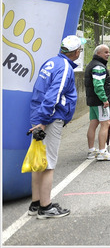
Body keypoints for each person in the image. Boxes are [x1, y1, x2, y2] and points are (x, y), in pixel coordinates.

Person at [29, 35, 85, 219]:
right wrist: (43, 123)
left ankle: (36, 203)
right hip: (49, 120)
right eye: (80, 50)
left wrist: (39, 119)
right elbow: (54, 95)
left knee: (39, 161)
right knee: (48, 164)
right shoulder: (65, 68)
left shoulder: (51, 62)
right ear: (76, 52)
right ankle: (45, 208)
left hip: (39, 115)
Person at [84, 44, 110, 161]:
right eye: (105, 52)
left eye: (108, 52)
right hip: (100, 102)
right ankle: (102, 152)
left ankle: (92, 151)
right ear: (98, 53)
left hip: (92, 101)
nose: (108, 54)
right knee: (105, 124)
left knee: (93, 125)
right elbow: (98, 85)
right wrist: (104, 99)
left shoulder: (91, 65)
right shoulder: (99, 67)